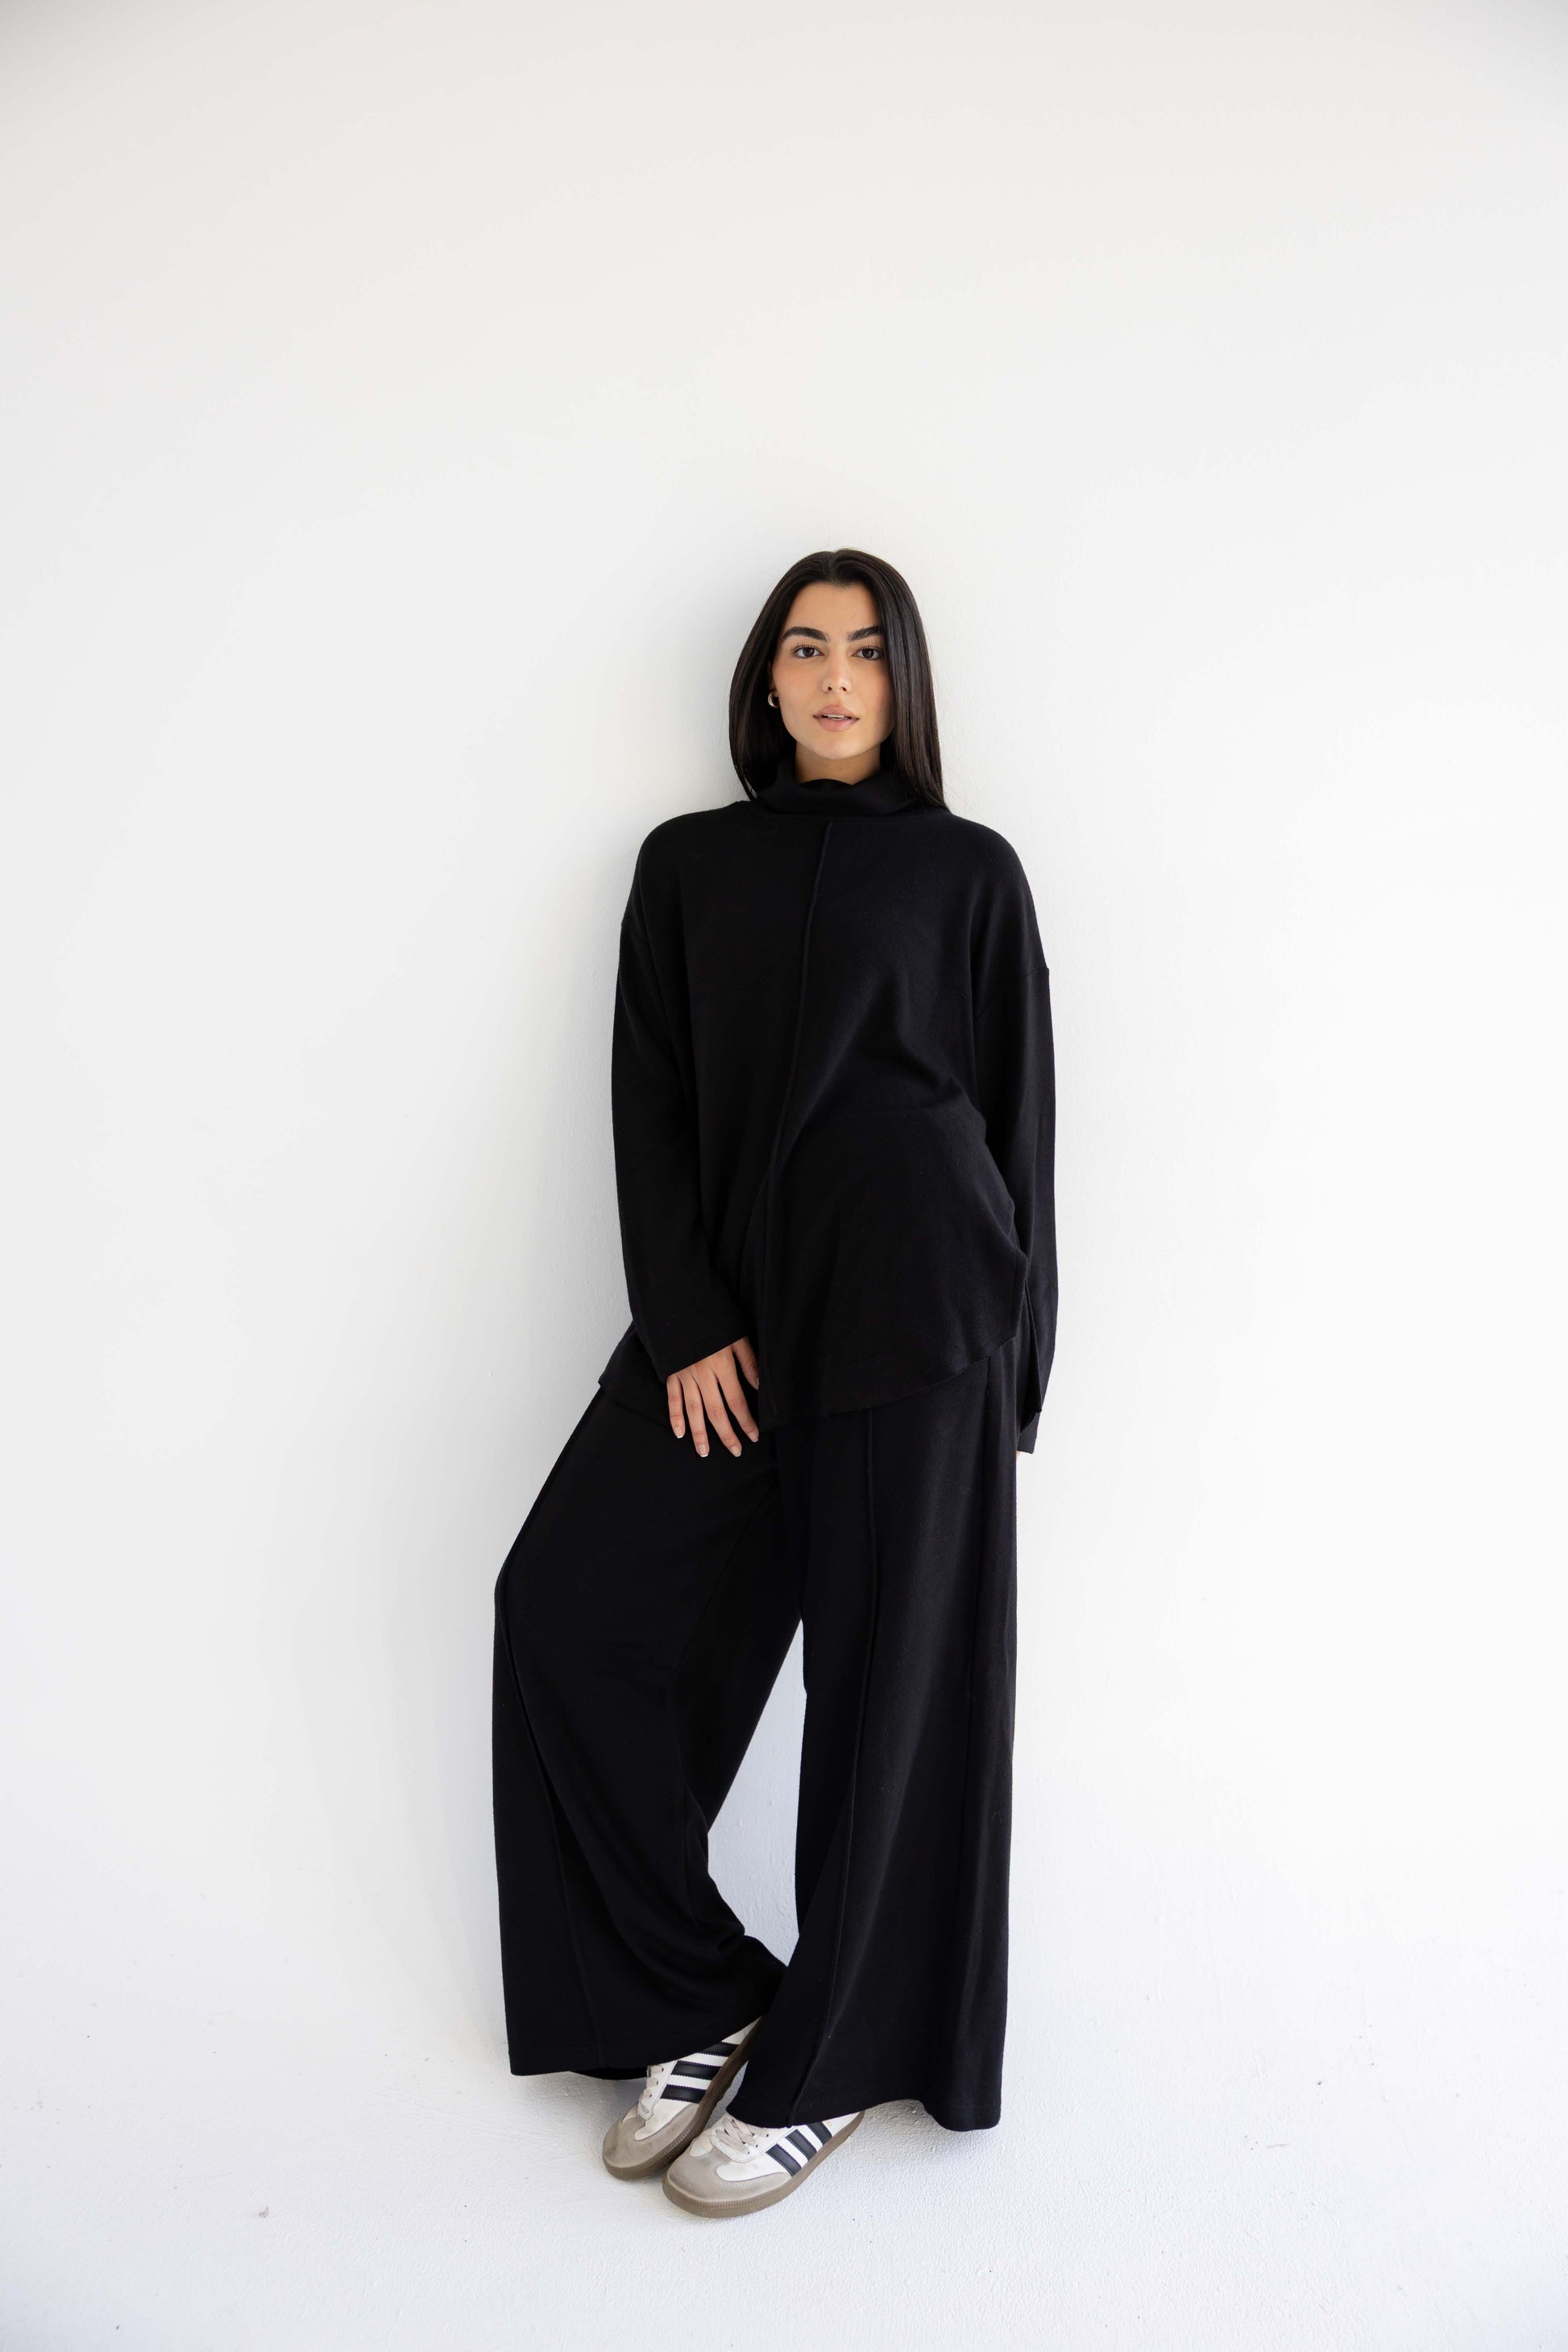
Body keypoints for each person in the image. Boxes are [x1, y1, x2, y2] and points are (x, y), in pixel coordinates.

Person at [492, 546, 1057, 2219]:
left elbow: (1017, 1116)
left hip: (919, 1308)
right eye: (804, 649)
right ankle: (691, 1990)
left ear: (904, 682)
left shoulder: (968, 869)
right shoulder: (686, 865)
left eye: (865, 651)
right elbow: (651, 1098)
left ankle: (835, 2061)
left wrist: (1014, 1373)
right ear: (763, 680)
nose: (833, 678)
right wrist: (683, 1322)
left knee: (889, 1700)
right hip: (732, 1313)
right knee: (565, 1607)